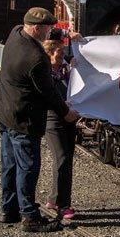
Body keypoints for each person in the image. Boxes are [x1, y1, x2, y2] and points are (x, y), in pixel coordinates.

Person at [0, 7, 79, 232]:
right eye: (48, 29)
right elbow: (49, 93)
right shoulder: (36, 58)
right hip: (24, 120)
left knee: (9, 164)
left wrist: (64, 36)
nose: (49, 32)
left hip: (4, 112)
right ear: (36, 28)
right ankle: (30, 217)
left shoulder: (15, 34)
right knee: (28, 167)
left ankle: (8, 209)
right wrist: (67, 113)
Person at [42, 39, 77, 220]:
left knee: (67, 159)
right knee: (61, 157)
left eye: (63, 53)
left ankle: (54, 198)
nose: (62, 56)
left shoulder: (64, 69)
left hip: (69, 118)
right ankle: (63, 205)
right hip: (53, 118)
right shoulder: (44, 73)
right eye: (59, 54)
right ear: (49, 54)